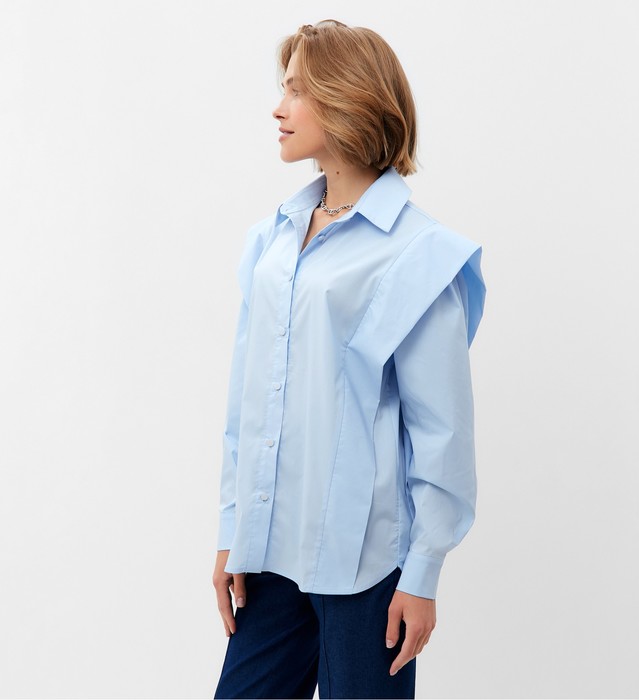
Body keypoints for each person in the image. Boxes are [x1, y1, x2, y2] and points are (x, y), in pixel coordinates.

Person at [212, 19, 486, 700]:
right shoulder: (271, 243)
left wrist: (423, 573)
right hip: (270, 554)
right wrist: (232, 529)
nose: (278, 108)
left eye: (296, 91)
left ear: (346, 99)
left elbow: (442, 429)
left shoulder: (419, 255)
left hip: (367, 568)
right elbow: (248, 402)